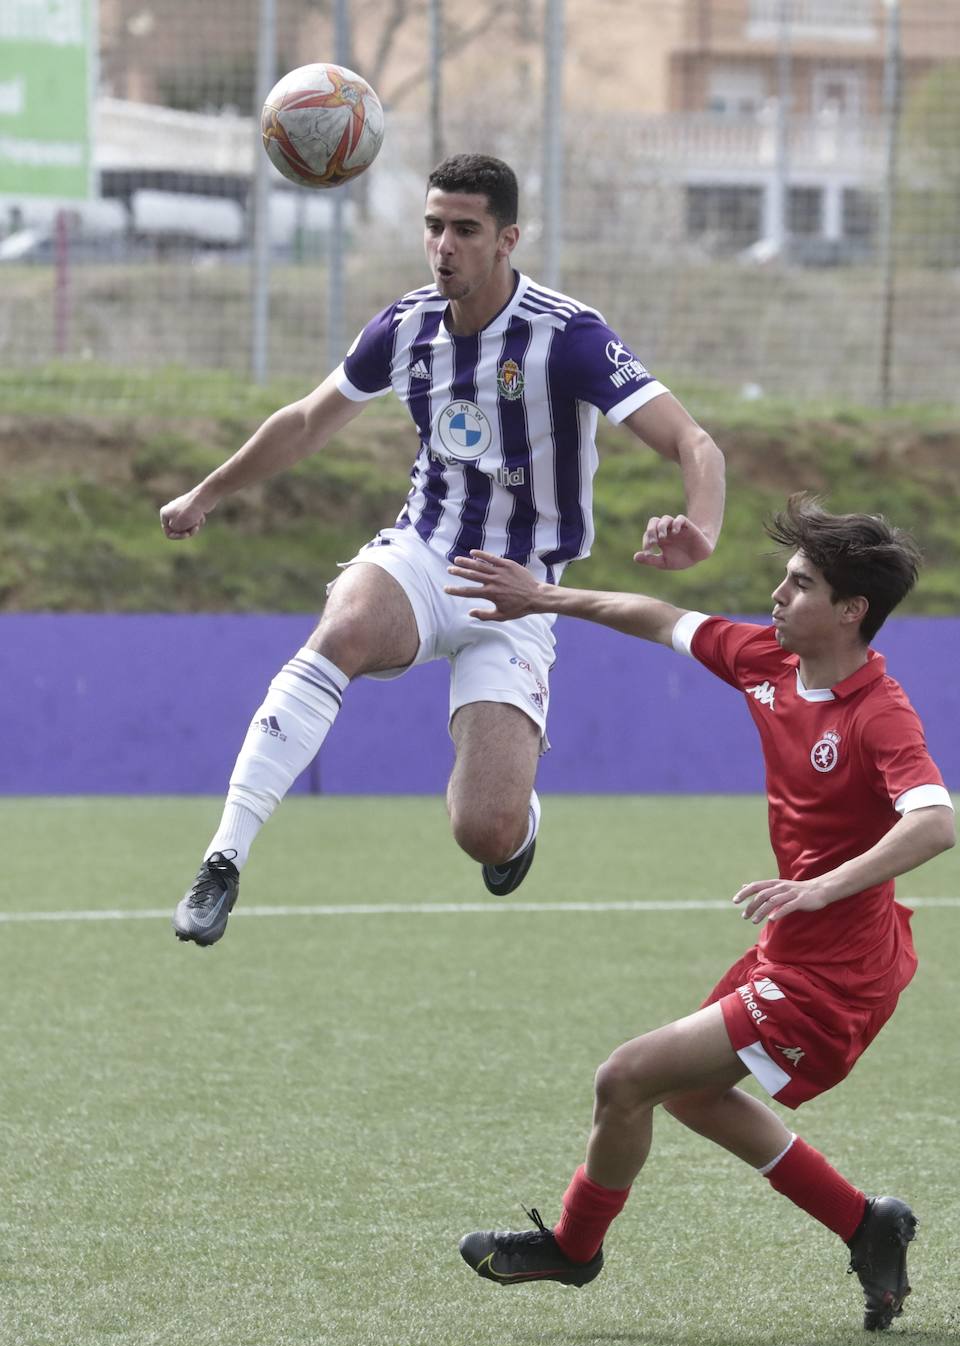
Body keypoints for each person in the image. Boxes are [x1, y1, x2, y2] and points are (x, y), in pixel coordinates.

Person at [160, 153, 725, 946]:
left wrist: (700, 527)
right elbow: (304, 421)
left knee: (481, 832)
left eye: (465, 229)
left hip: (520, 593)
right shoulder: (404, 327)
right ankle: (223, 859)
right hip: (425, 555)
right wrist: (205, 492)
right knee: (342, 628)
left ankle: (517, 820)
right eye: (433, 227)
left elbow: (693, 441)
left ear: (507, 239)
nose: (443, 246)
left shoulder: (566, 336)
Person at [446, 494, 956, 1332]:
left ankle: (575, 1248)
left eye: (799, 585)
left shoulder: (879, 713)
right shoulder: (767, 661)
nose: (778, 596)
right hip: (793, 950)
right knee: (685, 1096)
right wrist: (543, 597)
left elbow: (933, 823)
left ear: (849, 611)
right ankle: (865, 1224)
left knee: (625, 1078)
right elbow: (654, 616)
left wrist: (823, 886)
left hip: (834, 975)